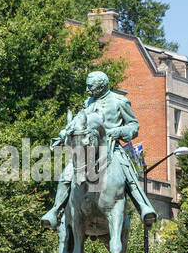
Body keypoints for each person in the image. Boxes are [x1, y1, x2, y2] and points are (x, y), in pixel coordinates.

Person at [39, 71, 158, 230]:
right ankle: (55, 210)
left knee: (128, 172)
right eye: (87, 86)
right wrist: (64, 132)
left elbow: (134, 125)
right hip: (87, 147)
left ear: (102, 86)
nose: (88, 90)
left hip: (110, 145)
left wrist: (119, 131)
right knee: (67, 173)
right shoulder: (88, 102)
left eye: (91, 86)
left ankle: (144, 208)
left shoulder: (120, 101)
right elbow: (77, 122)